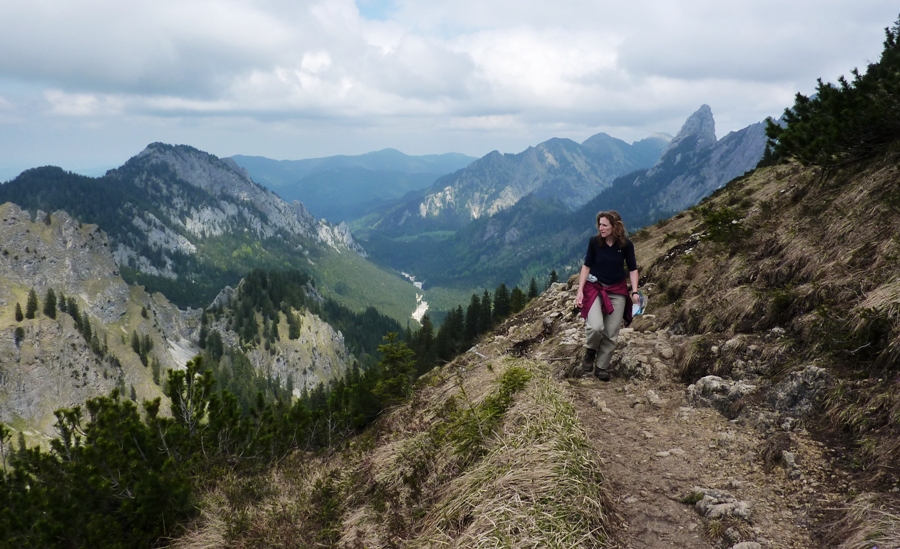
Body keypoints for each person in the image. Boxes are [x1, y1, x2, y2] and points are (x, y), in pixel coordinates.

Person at [575, 210, 640, 381]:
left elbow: (633, 269)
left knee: (611, 332)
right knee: (595, 326)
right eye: (600, 225)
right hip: (595, 288)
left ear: (614, 226)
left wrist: (634, 291)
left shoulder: (626, 245)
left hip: (617, 290)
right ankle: (590, 352)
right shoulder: (595, 242)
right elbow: (586, 266)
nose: (600, 228)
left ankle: (601, 366)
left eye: (604, 225)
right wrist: (580, 291)